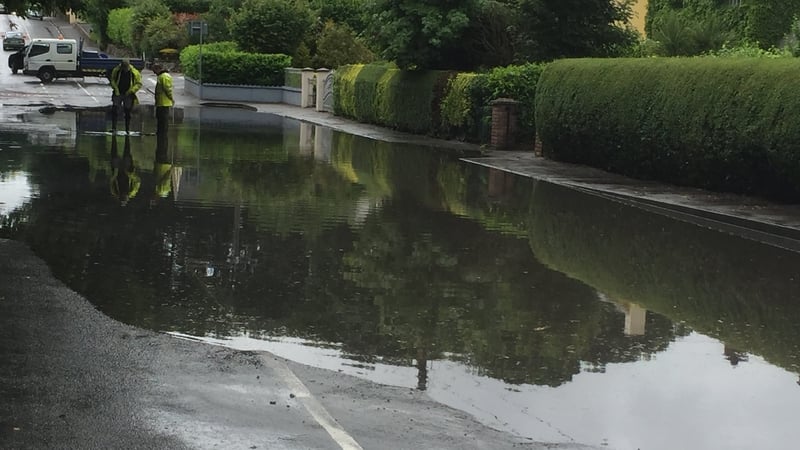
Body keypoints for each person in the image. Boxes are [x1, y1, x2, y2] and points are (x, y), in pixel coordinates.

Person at [110, 58, 142, 133]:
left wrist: (131, 91)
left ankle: (127, 129)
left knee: (127, 111)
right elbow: (112, 80)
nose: (124, 69)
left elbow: (138, 83)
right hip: (118, 93)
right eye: (123, 67)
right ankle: (114, 128)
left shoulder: (134, 72)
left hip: (128, 94)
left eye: (126, 68)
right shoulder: (116, 70)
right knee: (115, 109)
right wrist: (116, 89)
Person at [109, 134, 140, 206]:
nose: (123, 196)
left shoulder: (115, 192)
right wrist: (129, 174)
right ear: (127, 198)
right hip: (128, 169)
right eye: (124, 198)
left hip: (117, 170)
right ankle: (127, 136)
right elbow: (138, 181)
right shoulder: (132, 192)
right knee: (127, 151)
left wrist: (115, 174)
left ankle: (114, 136)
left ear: (119, 198)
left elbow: (111, 182)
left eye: (122, 198)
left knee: (114, 154)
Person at [152, 63, 174, 136]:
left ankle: (162, 134)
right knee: (160, 119)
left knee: (163, 120)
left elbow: (167, 89)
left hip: (164, 103)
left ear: (158, 69)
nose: (154, 72)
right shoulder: (162, 76)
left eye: (154, 70)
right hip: (161, 102)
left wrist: (171, 98)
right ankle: (160, 133)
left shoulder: (164, 77)